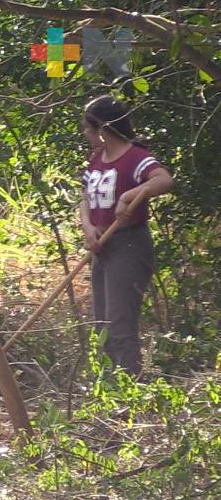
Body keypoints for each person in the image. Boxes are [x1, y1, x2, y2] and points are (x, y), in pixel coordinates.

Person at [79, 95, 173, 376]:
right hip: (102, 247)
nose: (86, 133)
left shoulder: (136, 157)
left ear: (104, 129)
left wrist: (132, 194)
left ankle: (129, 388)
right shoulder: (97, 159)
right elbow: (85, 198)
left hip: (129, 245)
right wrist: (88, 226)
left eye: (89, 128)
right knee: (103, 325)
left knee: (120, 323)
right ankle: (109, 386)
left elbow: (164, 180)